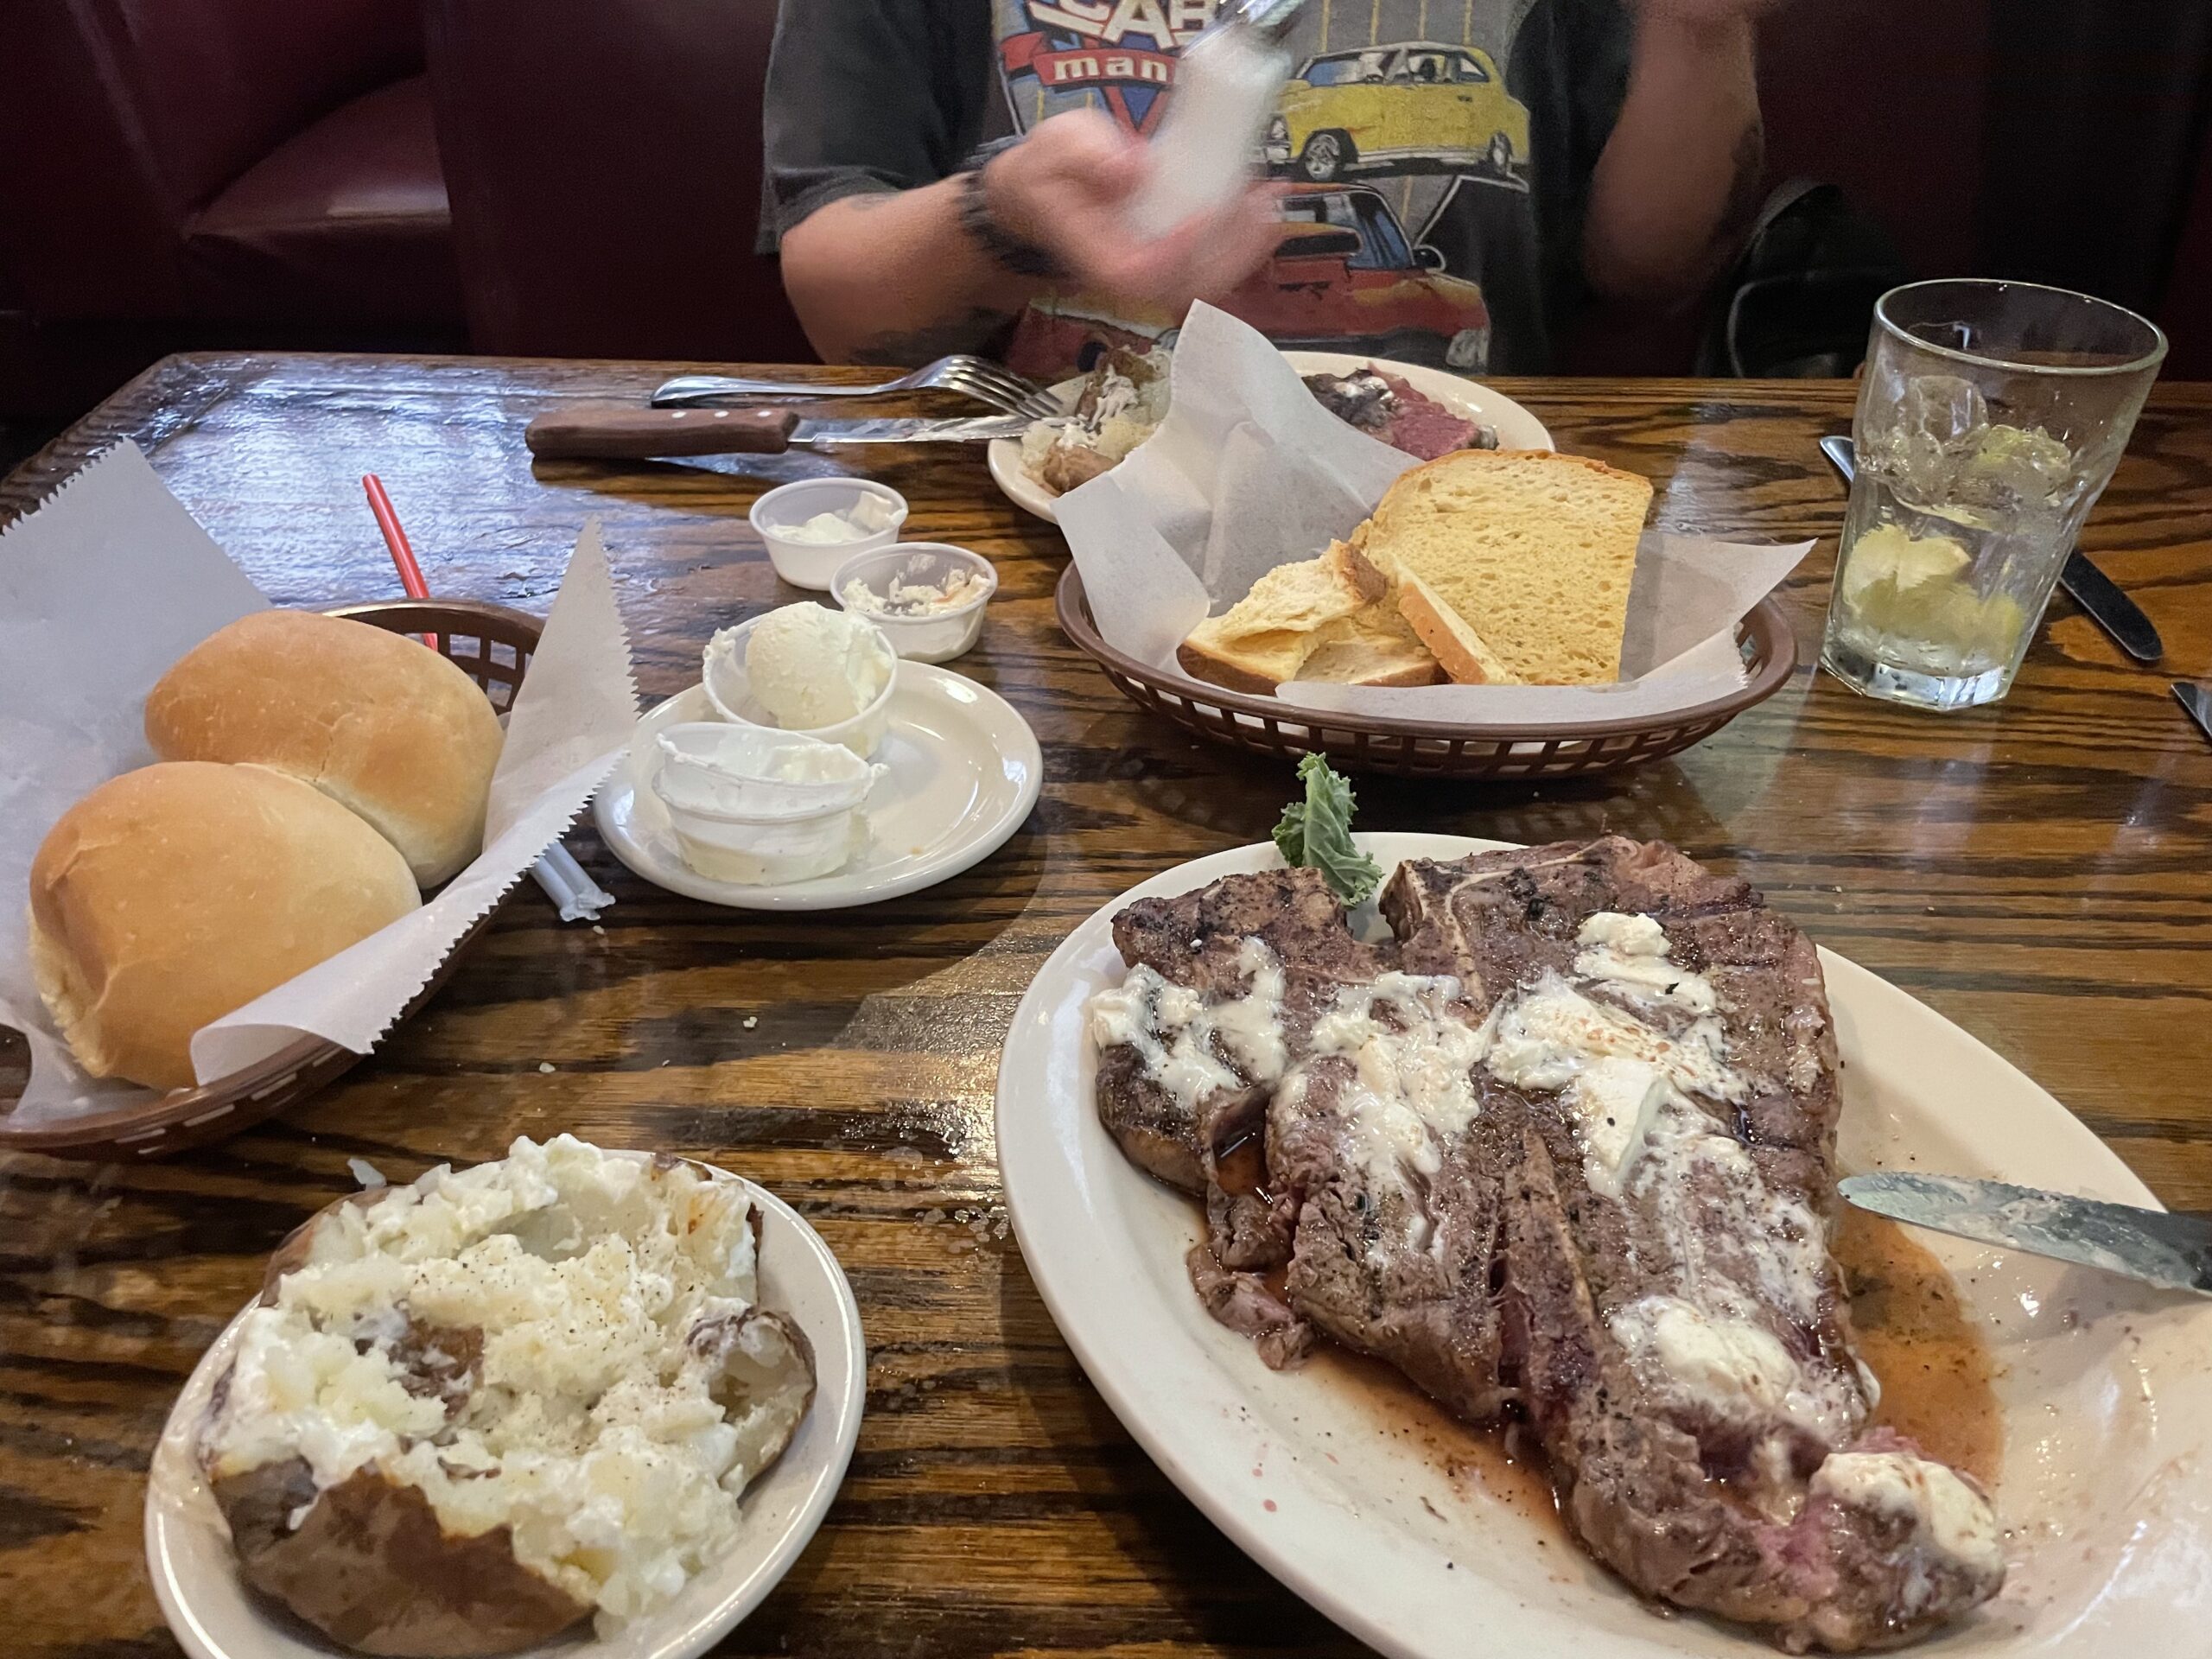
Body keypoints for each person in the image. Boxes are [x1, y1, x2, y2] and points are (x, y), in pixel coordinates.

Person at [763, 0, 1767, 376]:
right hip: (1039, 543)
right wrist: (1005, 214)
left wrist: (1699, 27)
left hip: (1462, 519)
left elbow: (1649, 271)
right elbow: (841, 315)